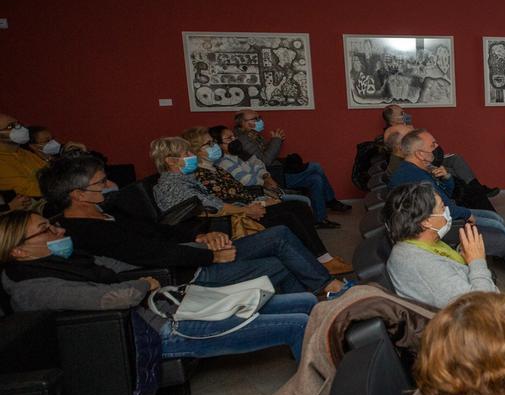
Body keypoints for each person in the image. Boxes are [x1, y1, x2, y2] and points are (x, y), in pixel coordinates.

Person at [1, 210, 317, 360]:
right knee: (299, 324)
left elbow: (118, 266)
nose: (58, 231)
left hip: (177, 306)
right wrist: (143, 284)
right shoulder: (30, 287)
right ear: (17, 249)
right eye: (46, 230)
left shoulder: (67, 260)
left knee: (307, 302)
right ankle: (323, 391)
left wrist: (197, 247)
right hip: (163, 331)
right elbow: (115, 297)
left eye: (52, 225)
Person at [44, 155, 349, 296]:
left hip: (196, 249)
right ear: (78, 194)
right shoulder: (85, 230)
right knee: (280, 263)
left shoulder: (109, 211)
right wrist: (209, 255)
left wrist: (205, 235)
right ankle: (324, 295)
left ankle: (323, 291)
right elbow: (149, 254)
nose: (111, 184)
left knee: (280, 234)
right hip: (188, 271)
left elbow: (162, 230)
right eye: (102, 182)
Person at [149, 136, 352, 275]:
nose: (190, 156)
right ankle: (322, 262)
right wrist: (247, 209)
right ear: (171, 161)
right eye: (186, 154)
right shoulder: (171, 186)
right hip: (225, 224)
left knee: (296, 208)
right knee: (289, 215)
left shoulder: (186, 178)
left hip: (233, 212)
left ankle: (321, 258)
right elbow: (209, 210)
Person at [390, 130, 505, 262]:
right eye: (432, 145)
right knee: (495, 223)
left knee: (495, 217)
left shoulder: (420, 169)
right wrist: (466, 214)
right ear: (420, 154)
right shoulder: (415, 177)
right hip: (441, 222)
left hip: (448, 212)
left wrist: (447, 177)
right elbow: (442, 208)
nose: (437, 148)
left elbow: (447, 195)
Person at [383, 183, 505, 293]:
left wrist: (462, 253)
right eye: (442, 208)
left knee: (498, 240)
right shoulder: (425, 266)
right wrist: (477, 261)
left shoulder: (421, 241)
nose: (447, 211)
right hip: (470, 324)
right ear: (425, 221)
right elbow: (482, 302)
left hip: (465, 283)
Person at [232, 109, 351, 223]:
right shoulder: (243, 140)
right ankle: (330, 201)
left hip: (277, 170)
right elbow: (265, 161)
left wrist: (276, 141)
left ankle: (320, 218)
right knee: (315, 167)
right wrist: (276, 140)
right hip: (271, 177)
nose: (259, 121)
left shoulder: (254, 135)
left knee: (316, 179)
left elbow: (265, 153)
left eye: (259, 118)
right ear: (243, 123)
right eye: (254, 119)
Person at [382, 105, 497, 197]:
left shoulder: (406, 127)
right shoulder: (393, 135)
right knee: (453, 171)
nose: (405, 115)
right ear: (392, 119)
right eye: (401, 114)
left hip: (431, 157)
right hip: (426, 160)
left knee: (456, 159)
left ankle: (477, 190)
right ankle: (476, 193)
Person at [208, 125, 312, 208]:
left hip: (268, 187)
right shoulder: (224, 162)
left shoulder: (239, 153)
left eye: (234, 136)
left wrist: (266, 176)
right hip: (256, 195)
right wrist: (264, 182)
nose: (234, 140)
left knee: (313, 179)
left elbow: (258, 163)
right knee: (305, 199)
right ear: (218, 144)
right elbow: (247, 180)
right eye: (229, 138)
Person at [0, 113, 47, 201]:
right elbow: (28, 189)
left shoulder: (23, 152)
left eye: (18, 124)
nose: (19, 128)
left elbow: (49, 170)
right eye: (11, 126)